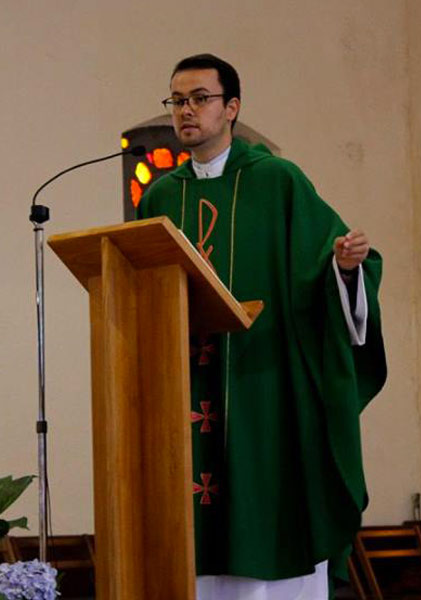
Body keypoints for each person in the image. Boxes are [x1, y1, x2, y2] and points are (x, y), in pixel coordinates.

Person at [137, 54, 386, 600]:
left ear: (231, 108)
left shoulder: (278, 182)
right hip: (182, 391)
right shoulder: (159, 197)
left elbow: (325, 272)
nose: (186, 110)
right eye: (177, 100)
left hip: (265, 392)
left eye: (200, 98)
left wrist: (345, 269)